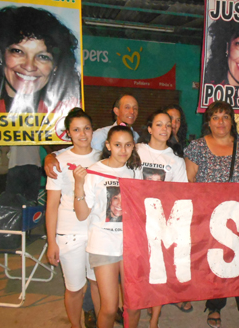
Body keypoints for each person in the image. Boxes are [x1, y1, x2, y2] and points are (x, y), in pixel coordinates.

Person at [184, 101, 239, 328]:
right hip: (211, 217)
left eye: (225, 117)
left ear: (232, 121)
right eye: (215, 117)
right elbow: (188, 181)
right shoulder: (196, 147)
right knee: (217, 263)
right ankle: (214, 306)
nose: (221, 122)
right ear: (208, 122)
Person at [73, 125, 142, 328]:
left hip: (132, 246)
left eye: (128, 145)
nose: (123, 150)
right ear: (108, 145)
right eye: (118, 145)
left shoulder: (135, 172)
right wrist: (78, 185)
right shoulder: (94, 172)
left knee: (134, 306)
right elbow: (81, 214)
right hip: (103, 245)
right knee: (110, 308)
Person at [46, 108, 100, 328]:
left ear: (92, 130)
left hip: (99, 231)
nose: (82, 134)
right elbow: (51, 206)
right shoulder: (59, 161)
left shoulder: (103, 157)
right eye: (76, 130)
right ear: (68, 133)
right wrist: (51, 243)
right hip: (70, 233)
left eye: (86, 128)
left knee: (98, 285)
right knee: (75, 288)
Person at [0, 6, 80, 114]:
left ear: (56, 66)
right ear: (0, 55)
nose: (29, 66)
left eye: (43, 57)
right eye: (18, 51)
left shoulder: (67, 114)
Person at [136, 109, 189, 326]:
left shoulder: (176, 159)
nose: (164, 129)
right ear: (149, 128)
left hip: (161, 222)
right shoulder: (136, 150)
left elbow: (182, 192)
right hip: (135, 220)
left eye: (168, 125)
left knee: (158, 270)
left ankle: (154, 319)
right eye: (159, 124)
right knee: (137, 270)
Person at [44, 94, 139, 179]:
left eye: (135, 108)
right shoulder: (102, 134)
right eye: (127, 107)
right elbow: (77, 148)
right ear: (116, 111)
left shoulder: (137, 137)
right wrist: (51, 156)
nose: (132, 112)